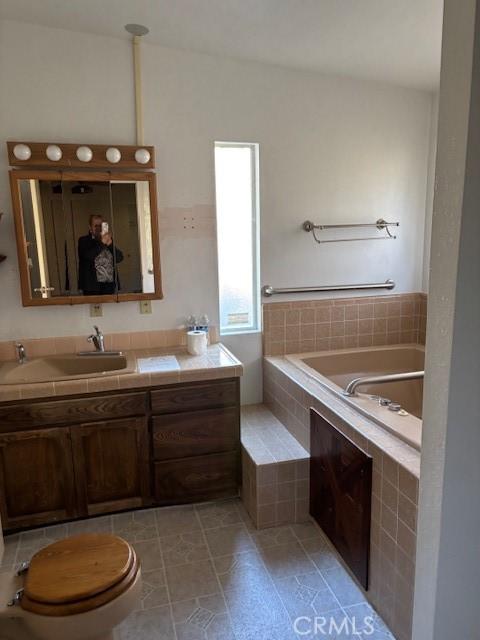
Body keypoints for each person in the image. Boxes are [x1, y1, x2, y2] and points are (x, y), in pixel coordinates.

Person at [78, 214, 124, 295]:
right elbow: (88, 256)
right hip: (91, 287)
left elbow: (119, 258)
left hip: (109, 285)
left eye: (101, 226)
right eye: (96, 226)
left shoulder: (108, 240)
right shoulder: (83, 240)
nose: (99, 228)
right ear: (90, 228)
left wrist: (109, 244)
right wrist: (102, 242)